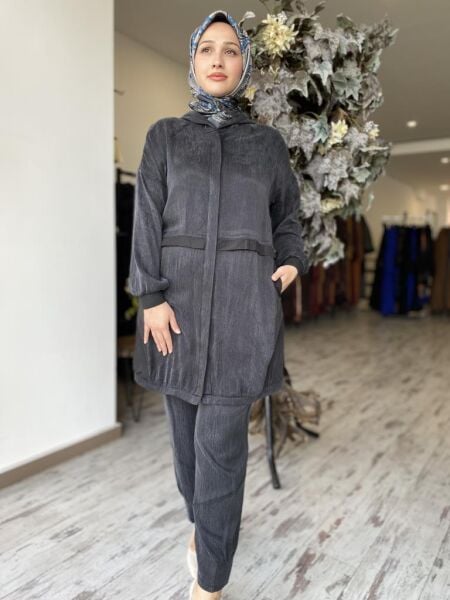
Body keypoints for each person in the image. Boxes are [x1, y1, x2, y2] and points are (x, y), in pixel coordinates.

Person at [128, 9, 309, 599]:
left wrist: (289, 261)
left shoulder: (267, 145)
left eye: (231, 50)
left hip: (242, 310)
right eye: (208, 48)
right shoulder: (165, 137)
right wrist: (150, 296)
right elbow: (146, 220)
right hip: (174, 314)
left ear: (244, 64)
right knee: (187, 451)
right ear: (193, 60)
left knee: (222, 451)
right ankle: (203, 524)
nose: (218, 59)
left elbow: (287, 218)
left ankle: (211, 581)